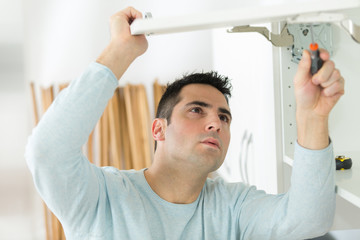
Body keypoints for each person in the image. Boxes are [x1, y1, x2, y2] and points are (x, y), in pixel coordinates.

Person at [25, 7, 345, 240]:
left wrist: (312, 117)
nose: (215, 124)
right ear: (158, 130)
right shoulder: (102, 199)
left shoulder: (232, 207)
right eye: (196, 110)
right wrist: (119, 52)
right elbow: (47, 151)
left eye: (224, 117)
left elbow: (306, 220)